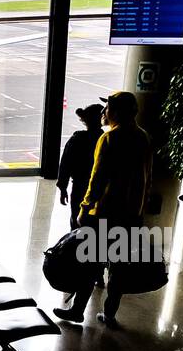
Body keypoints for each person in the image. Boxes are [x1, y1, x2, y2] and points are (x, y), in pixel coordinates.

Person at [53, 91, 152, 327]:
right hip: (131, 215)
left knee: (90, 263)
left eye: (106, 108)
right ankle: (109, 315)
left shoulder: (109, 139)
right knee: (119, 268)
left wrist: (84, 208)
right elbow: (147, 179)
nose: (103, 112)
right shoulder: (143, 137)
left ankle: (77, 311)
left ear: (116, 112)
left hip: (105, 213)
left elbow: (97, 180)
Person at [57, 104, 104, 229]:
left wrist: (63, 187)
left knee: (77, 221)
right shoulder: (105, 139)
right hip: (100, 188)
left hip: (79, 186)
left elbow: (65, 165)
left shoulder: (76, 139)